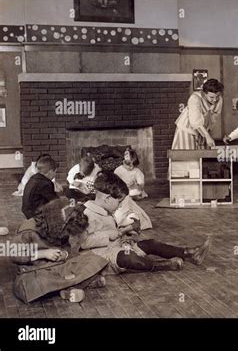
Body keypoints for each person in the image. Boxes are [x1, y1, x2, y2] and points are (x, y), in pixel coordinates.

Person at [80, 172, 211, 275]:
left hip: (119, 248)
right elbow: (83, 242)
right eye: (119, 202)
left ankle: (189, 253)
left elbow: (115, 235)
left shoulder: (106, 210)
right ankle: (162, 265)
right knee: (128, 258)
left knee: (150, 244)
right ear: (107, 198)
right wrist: (110, 235)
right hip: (103, 258)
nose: (120, 206)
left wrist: (124, 237)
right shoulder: (87, 215)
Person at [10, 197, 108, 303]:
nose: (66, 235)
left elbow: (67, 248)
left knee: (95, 260)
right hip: (37, 271)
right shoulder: (28, 229)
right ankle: (76, 285)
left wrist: (64, 254)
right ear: (58, 225)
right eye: (66, 232)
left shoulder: (61, 226)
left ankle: (66, 289)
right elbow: (14, 255)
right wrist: (42, 254)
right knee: (33, 285)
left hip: (59, 266)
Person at [172, 78, 224, 150]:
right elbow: (195, 121)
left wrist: (207, 133)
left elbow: (213, 118)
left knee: (199, 156)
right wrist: (207, 136)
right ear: (204, 94)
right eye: (211, 97)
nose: (215, 100)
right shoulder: (195, 99)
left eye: (217, 96)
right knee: (187, 155)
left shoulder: (219, 100)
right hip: (187, 129)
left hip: (201, 129)